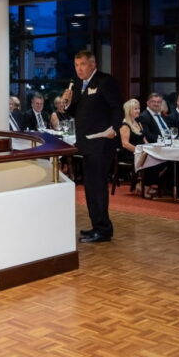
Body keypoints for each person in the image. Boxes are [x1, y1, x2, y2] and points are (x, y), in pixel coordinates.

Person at [62, 50, 122, 244]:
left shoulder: (105, 81)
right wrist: (67, 104)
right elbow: (76, 113)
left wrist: (114, 128)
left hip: (102, 142)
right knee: (90, 187)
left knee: (97, 186)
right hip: (86, 143)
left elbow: (117, 108)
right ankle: (97, 226)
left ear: (93, 64)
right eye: (76, 65)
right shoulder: (79, 85)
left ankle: (103, 230)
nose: (79, 69)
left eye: (82, 64)